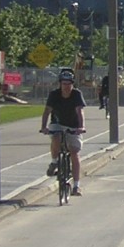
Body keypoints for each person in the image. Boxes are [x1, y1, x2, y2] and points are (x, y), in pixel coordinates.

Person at [41, 67, 87, 196]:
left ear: (72, 84)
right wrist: (44, 127)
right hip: (57, 123)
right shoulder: (54, 95)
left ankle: (76, 186)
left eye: (69, 84)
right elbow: (47, 111)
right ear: (60, 84)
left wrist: (81, 127)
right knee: (56, 137)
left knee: (74, 152)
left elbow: (80, 111)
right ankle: (54, 162)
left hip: (73, 126)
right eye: (64, 84)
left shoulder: (76, 94)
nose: (66, 87)